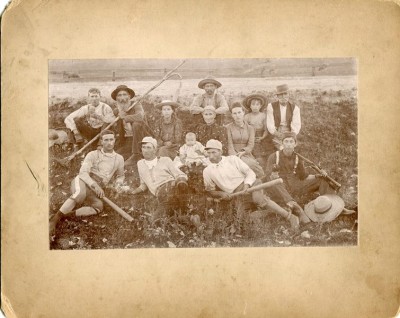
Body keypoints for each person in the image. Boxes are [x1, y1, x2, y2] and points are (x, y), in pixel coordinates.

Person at [202, 139, 300, 230]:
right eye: (208, 153)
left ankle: (290, 217)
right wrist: (221, 194)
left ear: (221, 152)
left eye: (214, 152)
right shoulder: (207, 171)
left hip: (251, 185)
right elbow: (210, 191)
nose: (211, 156)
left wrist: (246, 186)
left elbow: (250, 173)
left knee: (258, 199)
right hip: (236, 195)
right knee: (245, 218)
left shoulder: (232, 159)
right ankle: (275, 211)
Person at [49, 130, 125, 238]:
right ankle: (54, 220)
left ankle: (64, 216)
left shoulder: (119, 158)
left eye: (111, 139)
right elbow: (83, 173)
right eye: (106, 140)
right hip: (83, 181)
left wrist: (118, 185)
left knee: (98, 206)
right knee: (80, 194)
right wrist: (95, 185)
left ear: (114, 140)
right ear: (101, 141)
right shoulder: (93, 154)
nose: (109, 142)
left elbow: (120, 176)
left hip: (97, 188)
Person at [265, 131, 336, 224]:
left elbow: (303, 176)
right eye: (286, 141)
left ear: (295, 144)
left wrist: (319, 176)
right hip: (280, 188)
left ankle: (329, 206)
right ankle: (296, 207)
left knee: (321, 180)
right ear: (282, 143)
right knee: (276, 181)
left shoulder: (298, 157)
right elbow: (268, 176)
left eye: (291, 142)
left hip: (295, 184)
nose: (289, 144)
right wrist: (273, 176)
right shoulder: (274, 156)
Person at [130, 137, 189, 221]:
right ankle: (186, 217)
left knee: (156, 220)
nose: (145, 150)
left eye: (148, 147)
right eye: (143, 147)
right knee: (159, 219)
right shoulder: (140, 164)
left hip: (170, 186)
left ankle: (182, 206)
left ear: (155, 150)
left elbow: (179, 174)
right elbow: (144, 184)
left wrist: (180, 182)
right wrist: (133, 192)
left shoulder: (165, 160)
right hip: (160, 194)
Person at [112, 85, 152, 161]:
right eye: (119, 95)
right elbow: (109, 121)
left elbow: (140, 117)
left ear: (129, 96)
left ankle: (136, 154)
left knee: (136, 124)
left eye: (125, 94)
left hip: (143, 138)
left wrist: (125, 117)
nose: (122, 98)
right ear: (116, 98)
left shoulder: (136, 104)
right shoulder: (117, 110)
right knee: (116, 156)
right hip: (129, 139)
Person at [226, 102, 265, 178]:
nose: (237, 115)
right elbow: (229, 145)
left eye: (239, 112)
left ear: (243, 112)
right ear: (232, 115)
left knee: (253, 166)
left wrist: (243, 152)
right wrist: (235, 157)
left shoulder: (251, 128)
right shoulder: (228, 127)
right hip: (233, 154)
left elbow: (250, 145)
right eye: (234, 113)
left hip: (246, 153)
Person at [266, 84, 301, 150]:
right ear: (277, 96)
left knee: (289, 147)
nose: (283, 97)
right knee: (281, 148)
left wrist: (290, 136)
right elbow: (270, 124)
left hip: (289, 132)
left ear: (288, 95)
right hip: (276, 132)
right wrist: (277, 134)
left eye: (285, 94)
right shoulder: (271, 106)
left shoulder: (295, 108)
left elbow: (296, 125)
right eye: (280, 95)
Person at [243, 92, 273, 159]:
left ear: (260, 106)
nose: (255, 106)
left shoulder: (263, 116)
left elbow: (266, 129)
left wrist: (262, 137)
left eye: (257, 104)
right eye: (253, 104)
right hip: (250, 137)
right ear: (250, 106)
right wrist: (251, 138)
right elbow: (244, 130)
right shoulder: (247, 116)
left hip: (261, 138)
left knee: (263, 155)